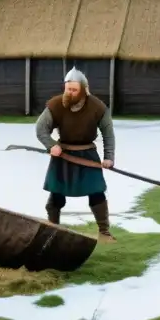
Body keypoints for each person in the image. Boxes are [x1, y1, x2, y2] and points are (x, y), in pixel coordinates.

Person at [35, 67, 116, 243]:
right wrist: (52, 146)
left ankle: (104, 232)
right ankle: (53, 230)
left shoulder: (97, 107)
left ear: (83, 90)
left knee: (97, 193)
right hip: (62, 155)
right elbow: (41, 129)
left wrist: (109, 157)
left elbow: (108, 133)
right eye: (67, 89)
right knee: (56, 195)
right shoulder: (56, 105)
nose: (70, 93)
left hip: (87, 156)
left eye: (74, 90)